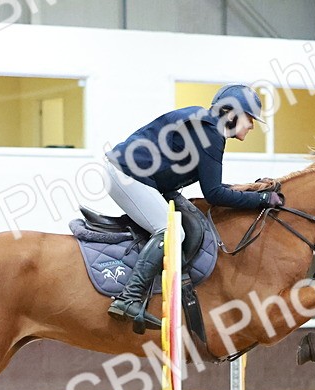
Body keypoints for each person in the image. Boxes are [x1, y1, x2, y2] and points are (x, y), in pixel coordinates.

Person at [103, 84, 285, 331]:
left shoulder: (207, 125)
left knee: (190, 218)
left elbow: (213, 185)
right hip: (127, 177)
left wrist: (251, 190)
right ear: (232, 114)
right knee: (171, 231)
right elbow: (214, 194)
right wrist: (262, 201)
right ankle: (129, 298)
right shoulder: (211, 133)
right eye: (250, 119)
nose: (252, 126)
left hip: (147, 180)